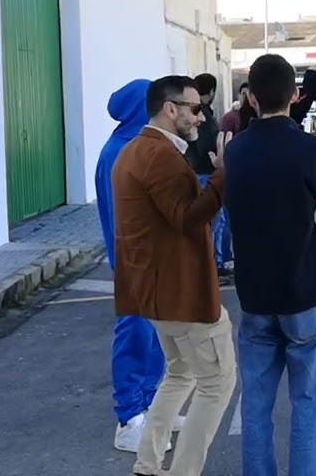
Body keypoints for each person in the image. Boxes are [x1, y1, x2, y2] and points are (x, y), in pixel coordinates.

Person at [224, 54, 316, 474]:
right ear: (295, 96)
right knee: (309, 405)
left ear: (251, 98)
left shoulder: (236, 152)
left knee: (256, 407)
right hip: (306, 291)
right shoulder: (313, 150)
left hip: (256, 295)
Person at [112, 75, 236, 476]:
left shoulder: (134, 151)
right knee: (217, 383)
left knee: (181, 372)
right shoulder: (159, 156)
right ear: (170, 109)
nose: (201, 118)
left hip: (156, 294)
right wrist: (222, 177)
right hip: (181, 294)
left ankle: (149, 463)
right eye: (195, 109)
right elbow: (186, 218)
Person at [95, 79, 176, 453]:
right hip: (136, 262)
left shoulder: (131, 146)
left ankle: (153, 408)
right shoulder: (121, 152)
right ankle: (130, 419)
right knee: (136, 335)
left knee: (156, 337)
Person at [186, 73, 232, 281]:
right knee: (215, 221)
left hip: (199, 172)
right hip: (206, 172)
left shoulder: (198, 114)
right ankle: (214, 264)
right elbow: (205, 146)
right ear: (212, 92)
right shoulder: (204, 117)